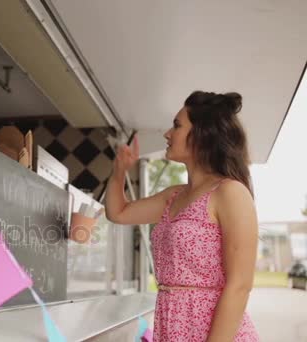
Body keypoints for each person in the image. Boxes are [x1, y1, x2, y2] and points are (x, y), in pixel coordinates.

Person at [105, 91, 259, 341]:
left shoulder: (230, 192)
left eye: (177, 126)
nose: (167, 133)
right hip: (172, 326)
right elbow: (118, 213)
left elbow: (240, 286)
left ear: (203, 135)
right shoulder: (173, 196)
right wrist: (119, 172)